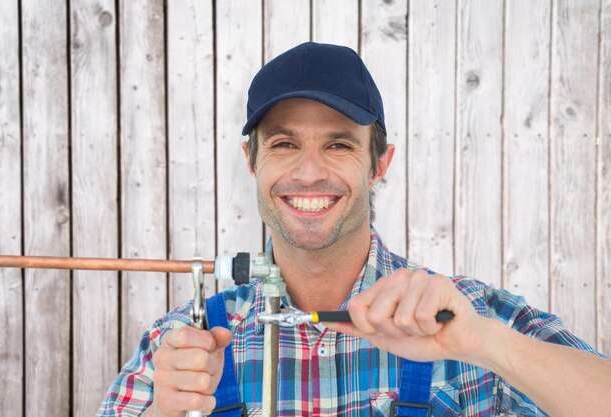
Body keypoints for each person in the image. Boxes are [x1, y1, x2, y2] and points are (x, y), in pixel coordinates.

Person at [98, 42, 610, 417]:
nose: (309, 171)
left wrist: (487, 345)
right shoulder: (182, 348)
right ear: (251, 161)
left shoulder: (468, 316)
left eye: (339, 145)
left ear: (379, 163)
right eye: (283, 144)